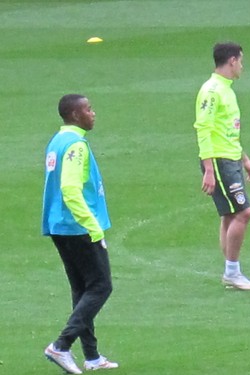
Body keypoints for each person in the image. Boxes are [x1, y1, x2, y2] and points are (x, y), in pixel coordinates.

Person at [42, 94, 118, 373]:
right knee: (101, 286)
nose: (93, 113)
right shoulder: (75, 145)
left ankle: (92, 356)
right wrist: (92, 226)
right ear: (75, 115)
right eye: (88, 109)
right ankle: (61, 346)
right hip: (77, 227)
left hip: (58, 225)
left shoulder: (57, 140)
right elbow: (70, 188)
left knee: (82, 289)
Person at [193, 42, 250, 291]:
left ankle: (230, 271)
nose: (242, 66)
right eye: (241, 61)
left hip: (230, 159)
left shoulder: (227, 89)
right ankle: (232, 272)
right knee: (244, 213)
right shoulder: (212, 91)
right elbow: (204, 129)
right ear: (232, 60)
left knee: (230, 215)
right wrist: (210, 169)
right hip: (220, 162)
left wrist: (244, 160)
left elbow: (226, 132)